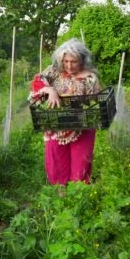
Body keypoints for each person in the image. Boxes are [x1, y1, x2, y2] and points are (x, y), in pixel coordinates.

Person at [28, 38, 101, 188]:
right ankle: (60, 192)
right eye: (66, 61)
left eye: (73, 62)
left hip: (82, 126)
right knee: (56, 161)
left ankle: (77, 194)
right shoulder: (54, 71)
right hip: (56, 124)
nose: (69, 66)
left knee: (80, 163)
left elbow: (94, 104)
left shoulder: (90, 78)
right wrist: (50, 89)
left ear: (82, 60)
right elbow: (38, 81)